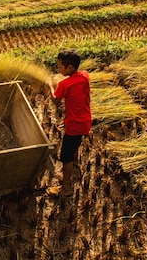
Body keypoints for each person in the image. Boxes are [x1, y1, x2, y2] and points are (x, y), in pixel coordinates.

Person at [47, 49, 92, 197]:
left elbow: (55, 100)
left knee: (65, 155)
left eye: (60, 66)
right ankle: (76, 164)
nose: (58, 69)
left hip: (74, 124)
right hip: (85, 121)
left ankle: (65, 187)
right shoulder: (84, 76)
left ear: (70, 68)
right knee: (75, 143)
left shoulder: (65, 85)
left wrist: (50, 86)